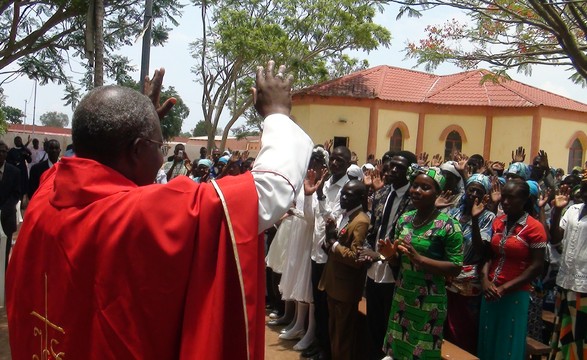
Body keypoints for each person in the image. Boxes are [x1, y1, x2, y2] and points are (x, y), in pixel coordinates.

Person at [6, 62, 313, 359]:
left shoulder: (49, 190)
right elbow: (269, 189)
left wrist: (138, 123)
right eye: (159, 145)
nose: (161, 156)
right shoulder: (137, 215)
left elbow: (106, 149)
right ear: (137, 149)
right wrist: (277, 115)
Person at [380, 166, 463, 359]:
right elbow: (398, 263)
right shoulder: (405, 219)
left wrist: (421, 260)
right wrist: (390, 255)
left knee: (421, 353)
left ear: (438, 193)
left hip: (429, 303)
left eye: (425, 187)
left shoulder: (449, 226)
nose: (417, 191)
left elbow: (456, 267)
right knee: (397, 351)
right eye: (415, 186)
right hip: (403, 296)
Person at [477, 178, 547, 360]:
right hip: (490, 290)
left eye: (512, 198)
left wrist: (504, 288)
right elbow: (488, 255)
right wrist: (485, 279)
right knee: (488, 338)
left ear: (524, 200)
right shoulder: (498, 222)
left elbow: (537, 266)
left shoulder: (534, 228)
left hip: (514, 293)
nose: (505, 202)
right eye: (504, 197)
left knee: (507, 342)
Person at [360, 151, 416, 360]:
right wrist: (367, 250)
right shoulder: (382, 194)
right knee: (373, 321)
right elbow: (373, 228)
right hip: (374, 269)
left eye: (399, 167)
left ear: (409, 171)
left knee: (390, 324)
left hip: (395, 271)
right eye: (391, 166)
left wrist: (381, 256)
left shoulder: (413, 199)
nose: (392, 170)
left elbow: (408, 239)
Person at [304, 145, 351, 360]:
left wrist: (321, 198)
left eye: (340, 161)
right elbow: (315, 218)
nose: (334, 163)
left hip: (331, 255)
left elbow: (334, 219)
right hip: (316, 250)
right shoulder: (325, 183)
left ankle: (328, 350)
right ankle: (319, 342)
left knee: (329, 306)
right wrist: (313, 195)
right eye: (332, 159)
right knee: (318, 303)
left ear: (348, 164)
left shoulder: (348, 188)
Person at [319, 180, 370, 360]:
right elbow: (335, 244)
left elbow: (356, 258)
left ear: (360, 198)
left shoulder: (361, 221)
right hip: (334, 282)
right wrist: (329, 236)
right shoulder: (345, 215)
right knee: (334, 331)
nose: (343, 197)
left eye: (349, 195)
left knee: (343, 336)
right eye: (343, 193)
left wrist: (333, 245)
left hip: (345, 288)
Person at [445, 173, 495, 354]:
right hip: (448, 276)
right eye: (471, 189)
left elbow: (481, 249)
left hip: (468, 281)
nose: (474, 193)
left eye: (479, 191)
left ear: (485, 195)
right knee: (445, 327)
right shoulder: (454, 212)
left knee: (463, 330)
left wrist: (475, 218)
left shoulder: (488, 217)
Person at [549, 181, 587, 359]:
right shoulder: (573, 210)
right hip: (566, 281)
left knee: (580, 336)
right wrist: (556, 211)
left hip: (584, 287)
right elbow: (556, 238)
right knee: (563, 334)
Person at [0, 140, 21, 271]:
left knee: (5, 251)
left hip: (6, 219)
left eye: (3, 152)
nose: (1, 154)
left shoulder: (15, 172)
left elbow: (15, 195)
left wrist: (2, 211)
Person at [6, 135, 31, 201]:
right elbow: (7, 161)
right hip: (14, 172)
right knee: (14, 188)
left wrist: (26, 155)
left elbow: (29, 160)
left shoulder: (24, 150)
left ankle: (21, 201)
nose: (18, 142)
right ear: (14, 142)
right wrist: (14, 162)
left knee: (22, 188)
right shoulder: (12, 151)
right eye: (17, 141)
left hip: (22, 171)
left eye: (19, 141)